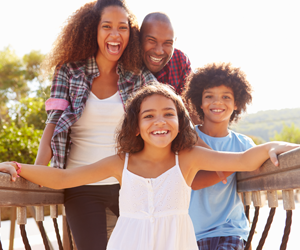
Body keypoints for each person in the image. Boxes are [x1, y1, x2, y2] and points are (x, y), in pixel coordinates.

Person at [1, 83, 299, 250]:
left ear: (180, 123)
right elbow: (65, 178)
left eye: (168, 114)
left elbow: (243, 161)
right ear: (135, 127)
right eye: (148, 116)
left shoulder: (190, 157)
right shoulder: (122, 163)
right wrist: (16, 166)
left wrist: (272, 146)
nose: (159, 121)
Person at [34, 0, 155, 249]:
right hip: (80, 185)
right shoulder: (69, 71)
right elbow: (53, 123)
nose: (115, 34)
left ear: (130, 34)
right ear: (93, 30)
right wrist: (38, 169)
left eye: (122, 27)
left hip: (129, 184)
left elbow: (171, 109)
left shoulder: (138, 77)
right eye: (107, 26)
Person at [184, 62, 255, 249]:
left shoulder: (244, 145)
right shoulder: (185, 139)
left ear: (237, 103)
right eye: (209, 96)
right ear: (199, 101)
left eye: (226, 97)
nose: (217, 102)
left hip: (230, 231)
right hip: (189, 232)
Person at [140, 12, 191, 95]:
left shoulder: (180, 61)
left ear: (174, 42)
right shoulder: (124, 65)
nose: (159, 51)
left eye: (167, 43)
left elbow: (188, 104)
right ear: (139, 38)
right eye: (152, 41)